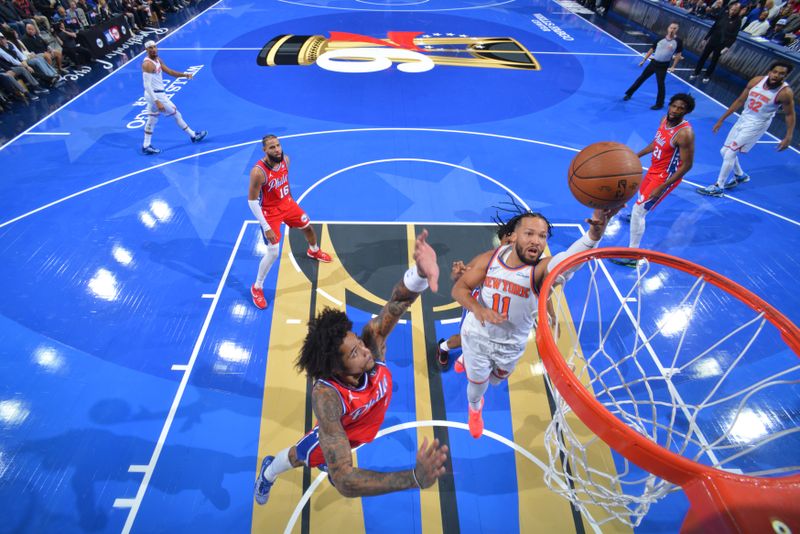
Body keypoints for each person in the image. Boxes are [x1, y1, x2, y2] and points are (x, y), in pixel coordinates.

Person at [254, 230, 448, 504]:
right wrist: (413, 478)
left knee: (334, 459)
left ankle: (329, 458)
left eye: (358, 342)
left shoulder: (373, 341)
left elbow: (397, 303)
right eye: (355, 353)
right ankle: (269, 471)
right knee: (301, 456)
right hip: (343, 432)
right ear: (337, 368)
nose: (366, 350)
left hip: (362, 426)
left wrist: (419, 274)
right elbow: (345, 481)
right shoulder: (327, 397)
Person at [451, 207, 619, 438]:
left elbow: (566, 260)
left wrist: (593, 236)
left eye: (542, 236)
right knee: (478, 388)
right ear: (513, 237)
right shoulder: (491, 258)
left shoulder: (540, 271)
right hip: (478, 337)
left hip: (510, 345)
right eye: (530, 233)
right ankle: (475, 409)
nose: (537, 241)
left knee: (496, 381)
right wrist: (479, 309)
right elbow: (460, 288)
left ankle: (467, 360)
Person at [247, 134, 332, 309]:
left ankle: (313, 251)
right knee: (273, 253)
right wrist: (266, 226)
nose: (277, 149)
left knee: (307, 227)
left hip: (287, 204)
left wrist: (292, 203)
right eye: (272, 147)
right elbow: (252, 201)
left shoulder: (286, 160)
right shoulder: (258, 172)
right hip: (270, 213)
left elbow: (284, 183)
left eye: (278, 145)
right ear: (264, 150)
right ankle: (257, 287)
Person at [611, 93, 695, 265]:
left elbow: (687, 165)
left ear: (686, 112)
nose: (675, 110)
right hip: (653, 170)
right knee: (639, 205)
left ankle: (633, 256)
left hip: (665, 177)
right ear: (670, 105)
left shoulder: (685, 134)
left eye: (681, 108)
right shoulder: (664, 119)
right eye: (674, 106)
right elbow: (656, 143)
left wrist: (663, 186)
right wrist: (637, 155)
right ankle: (637, 217)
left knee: (638, 211)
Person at [697, 62, 795, 196]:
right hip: (743, 118)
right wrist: (722, 119)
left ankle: (718, 187)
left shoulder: (784, 93)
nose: (777, 75)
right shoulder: (756, 81)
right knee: (724, 151)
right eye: (775, 72)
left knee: (731, 152)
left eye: (781, 74)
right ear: (770, 71)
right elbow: (740, 100)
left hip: (757, 124)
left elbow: (790, 114)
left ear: (785, 76)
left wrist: (788, 136)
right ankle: (740, 175)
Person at [437, 222, 515, 368]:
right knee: (464, 340)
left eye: (514, 242)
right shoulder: (487, 259)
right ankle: (443, 347)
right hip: (479, 308)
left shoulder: (527, 265)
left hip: (501, 313)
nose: (510, 246)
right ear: (500, 242)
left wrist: (552, 315)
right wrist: (457, 274)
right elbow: (461, 280)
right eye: (507, 242)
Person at [140, 40, 206, 155]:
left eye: (155, 47)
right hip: (156, 95)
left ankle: (146, 146)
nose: (154, 49)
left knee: (152, 119)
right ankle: (193, 135)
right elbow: (147, 86)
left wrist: (184, 75)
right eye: (151, 48)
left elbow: (169, 71)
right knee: (176, 114)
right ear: (146, 50)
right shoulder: (147, 64)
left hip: (155, 95)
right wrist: (157, 101)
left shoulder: (158, 60)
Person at [623, 22, 684, 110]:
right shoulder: (660, 38)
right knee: (641, 78)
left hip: (663, 65)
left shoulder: (678, 41)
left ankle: (659, 104)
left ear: (677, 30)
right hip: (653, 63)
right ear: (668, 28)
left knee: (660, 84)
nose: (672, 30)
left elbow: (678, 54)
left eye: (674, 28)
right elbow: (652, 49)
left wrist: (673, 66)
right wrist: (644, 60)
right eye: (671, 28)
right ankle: (629, 94)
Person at [691, 1, 742, 83]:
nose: (732, 11)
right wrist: (705, 38)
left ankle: (707, 75)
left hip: (721, 44)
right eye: (732, 9)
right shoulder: (723, 15)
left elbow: (734, 36)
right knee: (703, 57)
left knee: (714, 60)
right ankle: (696, 72)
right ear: (730, 8)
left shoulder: (738, 20)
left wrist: (727, 47)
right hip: (713, 40)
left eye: (735, 10)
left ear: (738, 11)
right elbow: (714, 26)